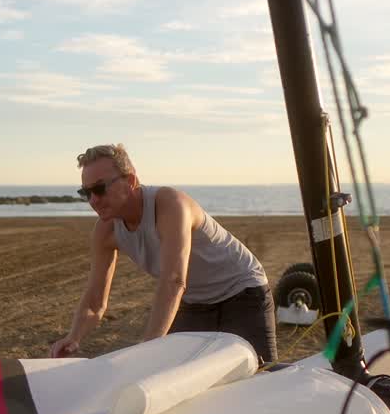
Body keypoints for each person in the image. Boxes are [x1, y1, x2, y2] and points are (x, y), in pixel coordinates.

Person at [49, 143, 277, 365]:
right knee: (175, 375)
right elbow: (95, 300)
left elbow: (174, 281)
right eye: (85, 193)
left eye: (99, 189)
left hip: (243, 291)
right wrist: (74, 337)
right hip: (195, 302)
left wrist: (148, 347)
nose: (93, 200)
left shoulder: (169, 204)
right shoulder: (105, 231)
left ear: (130, 181)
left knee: (259, 375)